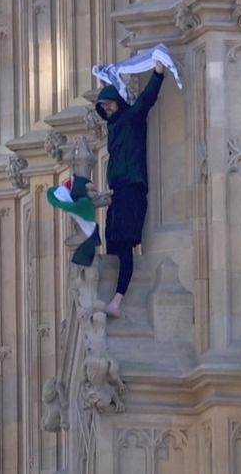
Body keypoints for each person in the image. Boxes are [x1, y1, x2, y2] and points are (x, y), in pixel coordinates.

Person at [94, 61, 166, 317]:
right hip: (117, 193)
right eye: (103, 106)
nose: (105, 108)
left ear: (117, 101)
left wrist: (158, 73)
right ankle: (113, 298)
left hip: (131, 190)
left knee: (124, 247)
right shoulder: (113, 127)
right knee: (112, 243)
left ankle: (118, 300)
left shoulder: (132, 119)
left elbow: (147, 100)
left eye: (108, 103)